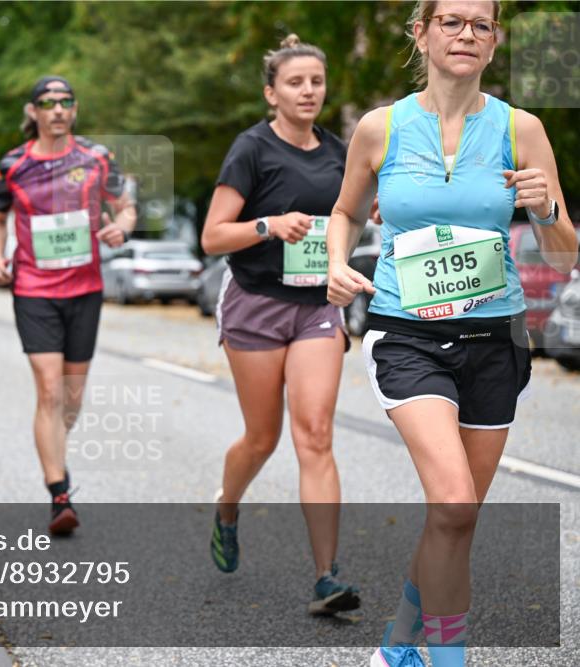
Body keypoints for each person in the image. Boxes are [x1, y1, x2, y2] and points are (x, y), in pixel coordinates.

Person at [325, 2, 577, 666]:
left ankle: (399, 643)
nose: (466, 34)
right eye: (451, 21)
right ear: (422, 33)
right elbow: (346, 212)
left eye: (481, 25)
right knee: (456, 500)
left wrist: (546, 207)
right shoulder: (381, 128)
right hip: (406, 334)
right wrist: (334, 263)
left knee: (453, 518)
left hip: (496, 338)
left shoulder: (522, 130)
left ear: (495, 43)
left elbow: (563, 254)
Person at [200, 35, 359, 616]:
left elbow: (359, 213)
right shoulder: (251, 149)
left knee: (315, 434)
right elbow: (214, 235)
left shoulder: (340, 151)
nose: (308, 91)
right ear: (272, 92)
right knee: (262, 437)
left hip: (317, 304)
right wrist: (267, 224)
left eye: (316, 81)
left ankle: (327, 577)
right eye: (295, 83)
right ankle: (227, 507)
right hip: (256, 301)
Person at [0, 76, 136, 536]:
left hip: (84, 289)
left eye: (65, 102)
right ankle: (59, 493)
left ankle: (56, 454)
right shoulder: (12, 164)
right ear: (34, 111)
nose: (56, 110)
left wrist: (123, 227)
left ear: (74, 109)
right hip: (33, 288)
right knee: (49, 390)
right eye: (47, 103)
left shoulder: (95, 158)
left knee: (70, 399)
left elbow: (126, 206)